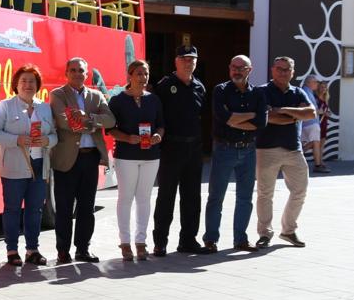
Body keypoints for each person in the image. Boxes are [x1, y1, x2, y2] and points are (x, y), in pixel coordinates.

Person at [50, 57, 116, 264]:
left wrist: (88, 118)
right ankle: (63, 251)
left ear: (86, 74)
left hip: (90, 158)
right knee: (63, 208)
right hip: (66, 159)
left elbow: (111, 120)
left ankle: (83, 249)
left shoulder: (96, 96)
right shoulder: (58, 94)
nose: (77, 73)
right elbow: (64, 122)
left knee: (87, 208)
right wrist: (94, 123)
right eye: (73, 70)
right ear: (66, 73)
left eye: (81, 70)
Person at [0, 64, 57, 266]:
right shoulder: (5, 105)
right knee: (12, 209)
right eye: (24, 81)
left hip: (39, 164)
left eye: (32, 81)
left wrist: (47, 141)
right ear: (16, 85)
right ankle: (12, 251)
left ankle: (32, 250)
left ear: (37, 85)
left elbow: (55, 135)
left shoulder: (45, 107)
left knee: (35, 209)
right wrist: (17, 140)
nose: (28, 85)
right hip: (13, 165)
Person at [205, 55, 267, 253]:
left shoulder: (258, 93)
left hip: (248, 150)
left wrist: (236, 118)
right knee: (216, 196)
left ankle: (240, 239)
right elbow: (224, 119)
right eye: (233, 66)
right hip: (224, 149)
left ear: (250, 70)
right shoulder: (220, 90)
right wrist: (252, 114)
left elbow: (262, 123)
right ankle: (211, 239)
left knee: (245, 197)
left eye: (241, 67)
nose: (236, 71)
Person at [151, 45, 208, 257]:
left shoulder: (199, 87)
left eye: (192, 59)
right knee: (166, 196)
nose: (188, 62)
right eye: (184, 58)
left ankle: (188, 240)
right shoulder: (165, 86)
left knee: (192, 197)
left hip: (193, 148)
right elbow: (157, 116)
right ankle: (160, 242)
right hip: (171, 148)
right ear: (176, 61)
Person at [256, 57, 315, 249]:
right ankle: (265, 233)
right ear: (272, 70)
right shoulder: (262, 91)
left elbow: (311, 113)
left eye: (287, 69)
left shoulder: (297, 92)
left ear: (293, 72)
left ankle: (288, 230)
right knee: (265, 194)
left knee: (300, 190)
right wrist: (294, 115)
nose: (283, 72)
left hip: (293, 149)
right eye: (279, 69)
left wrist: (282, 110)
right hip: (267, 149)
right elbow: (267, 118)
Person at [108, 60, 164, 261]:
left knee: (144, 199)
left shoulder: (154, 100)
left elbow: (161, 125)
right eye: (139, 74)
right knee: (125, 198)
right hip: (126, 156)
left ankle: (141, 242)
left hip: (150, 156)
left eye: (146, 73)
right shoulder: (117, 100)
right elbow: (110, 128)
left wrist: (158, 136)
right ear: (129, 76)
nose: (143, 77)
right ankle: (125, 242)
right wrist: (127, 138)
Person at [301, 76, 331, 173]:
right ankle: (317, 165)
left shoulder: (306, 91)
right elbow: (310, 107)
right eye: (316, 82)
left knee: (313, 142)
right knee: (316, 142)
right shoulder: (307, 92)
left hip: (307, 122)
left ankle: (295, 155)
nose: (317, 84)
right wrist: (320, 111)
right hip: (311, 122)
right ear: (310, 82)